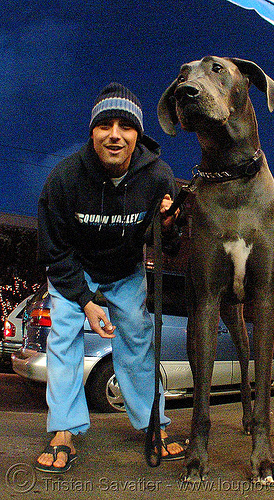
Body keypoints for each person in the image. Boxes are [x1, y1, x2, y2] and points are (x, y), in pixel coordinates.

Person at [35, 82, 184, 473]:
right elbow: (54, 251)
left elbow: (169, 245)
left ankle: (154, 424)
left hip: (125, 270)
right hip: (75, 267)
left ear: (138, 134)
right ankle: (64, 431)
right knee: (64, 338)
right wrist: (85, 302)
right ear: (92, 132)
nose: (115, 135)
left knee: (138, 338)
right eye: (105, 125)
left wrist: (169, 224)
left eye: (125, 126)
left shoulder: (159, 177)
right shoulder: (64, 179)